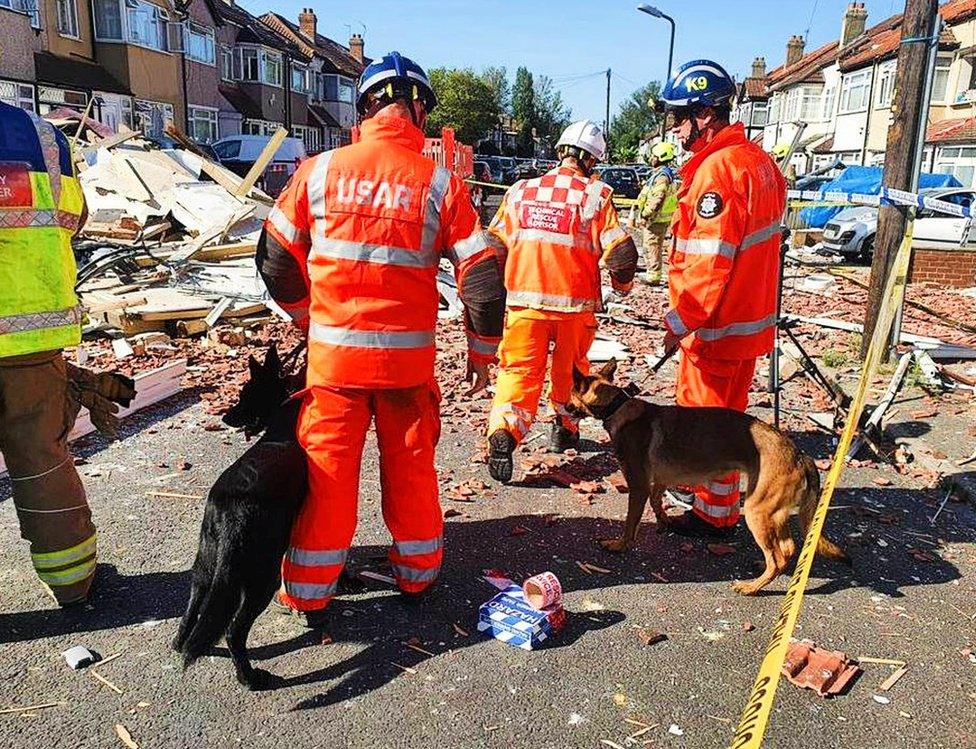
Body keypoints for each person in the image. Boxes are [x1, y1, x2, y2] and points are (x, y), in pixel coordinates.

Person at [258, 52, 506, 617]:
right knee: (412, 467)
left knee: (325, 473)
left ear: (366, 106)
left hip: (334, 368)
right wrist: (482, 350)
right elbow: (485, 281)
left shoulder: (318, 170)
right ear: (417, 110)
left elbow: (275, 258)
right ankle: (418, 574)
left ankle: (307, 589)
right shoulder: (440, 184)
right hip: (405, 371)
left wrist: (305, 316)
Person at [655, 60, 787, 539]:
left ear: (704, 115)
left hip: (713, 329)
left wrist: (678, 321)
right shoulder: (761, 163)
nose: (675, 129)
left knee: (704, 433)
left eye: (679, 117)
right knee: (730, 428)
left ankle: (713, 518)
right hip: (747, 326)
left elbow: (709, 262)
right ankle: (722, 509)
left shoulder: (718, 171)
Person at [483, 120, 638, 482]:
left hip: (523, 306)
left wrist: (491, 297)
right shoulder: (596, 195)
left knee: (518, 373)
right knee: (572, 373)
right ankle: (564, 429)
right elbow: (622, 253)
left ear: (559, 152)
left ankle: (504, 432)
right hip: (574, 307)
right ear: (592, 160)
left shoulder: (520, 191)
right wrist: (622, 286)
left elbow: (493, 247)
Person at [0, 102, 95, 605]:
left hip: (32, 335)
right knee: (42, 459)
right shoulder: (43, 137)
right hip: (31, 338)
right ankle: (73, 583)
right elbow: (71, 219)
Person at [635, 141, 679, 284]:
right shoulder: (663, 174)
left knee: (651, 246)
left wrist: (646, 213)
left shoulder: (661, 177)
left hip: (655, 219)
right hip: (660, 218)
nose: (651, 158)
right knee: (655, 246)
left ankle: (653, 276)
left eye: (654, 156)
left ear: (660, 157)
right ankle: (654, 273)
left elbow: (658, 197)